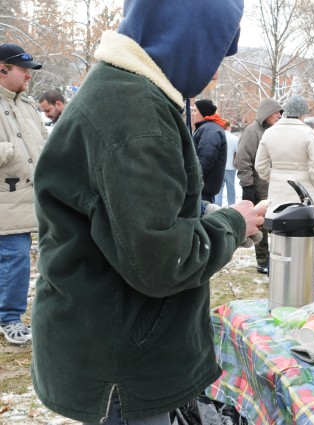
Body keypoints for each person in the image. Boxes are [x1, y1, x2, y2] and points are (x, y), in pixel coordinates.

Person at [30, 1, 266, 424]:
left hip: (105, 340)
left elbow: (129, 213)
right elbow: (161, 260)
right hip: (120, 361)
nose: (214, 72)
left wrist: (208, 212)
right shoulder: (135, 113)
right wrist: (233, 223)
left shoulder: (122, 90)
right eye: (213, 52)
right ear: (185, 36)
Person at [0, 43, 47, 345]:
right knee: (14, 258)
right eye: (22, 69)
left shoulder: (27, 104)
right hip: (6, 198)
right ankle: (10, 318)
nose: (28, 76)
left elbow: (43, 141)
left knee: (20, 259)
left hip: (32, 197)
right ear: (2, 69)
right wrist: (11, 151)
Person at [235, 97, 283, 274]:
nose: (279, 115)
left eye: (280, 112)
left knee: (276, 227)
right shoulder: (252, 132)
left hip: (276, 189)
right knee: (260, 228)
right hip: (258, 189)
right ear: (266, 113)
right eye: (275, 112)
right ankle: (263, 261)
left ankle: (277, 258)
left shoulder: (277, 131)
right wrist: (247, 187)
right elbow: (242, 160)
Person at [255, 95, 314, 211]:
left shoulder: (269, 132)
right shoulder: (308, 133)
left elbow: (260, 165)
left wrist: (273, 177)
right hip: (302, 187)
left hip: (277, 187)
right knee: (300, 223)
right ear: (302, 114)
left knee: (277, 222)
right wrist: (311, 181)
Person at [192, 98, 227, 203]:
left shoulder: (210, 130)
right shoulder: (208, 128)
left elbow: (206, 158)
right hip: (204, 187)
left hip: (203, 189)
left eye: (195, 111)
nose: (193, 114)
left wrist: (192, 177)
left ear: (203, 112)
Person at [215, 120, 239, 206]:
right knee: (231, 188)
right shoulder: (235, 138)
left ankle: (217, 206)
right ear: (229, 127)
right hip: (231, 167)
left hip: (219, 167)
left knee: (219, 189)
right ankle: (232, 205)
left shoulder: (217, 137)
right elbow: (238, 152)